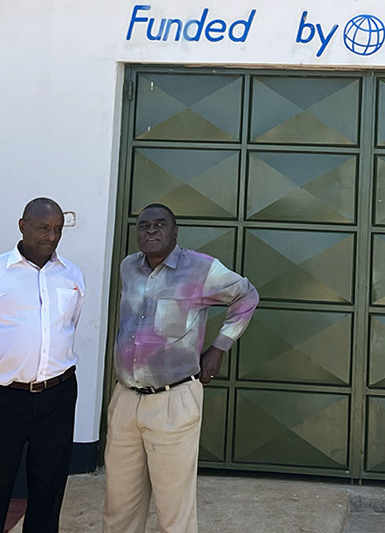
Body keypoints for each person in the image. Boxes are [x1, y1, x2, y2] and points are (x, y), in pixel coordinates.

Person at [102, 203, 259, 533]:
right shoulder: (128, 267)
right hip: (126, 399)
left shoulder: (202, 270)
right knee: (119, 506)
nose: (152, 231)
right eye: (144, 226)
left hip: (173, 399)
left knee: (174, 510)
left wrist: (218, 348)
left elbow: (247, 296)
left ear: (175, 232)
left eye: (161, 225)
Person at [0, 198, 86, 533]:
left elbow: (68, 325)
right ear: (22, 226)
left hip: (57, 396)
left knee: (48, 490)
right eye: (44, 228)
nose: (51, 236)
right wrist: (4, 363)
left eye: (57, 229)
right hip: (2, 398)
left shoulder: (72, 275)